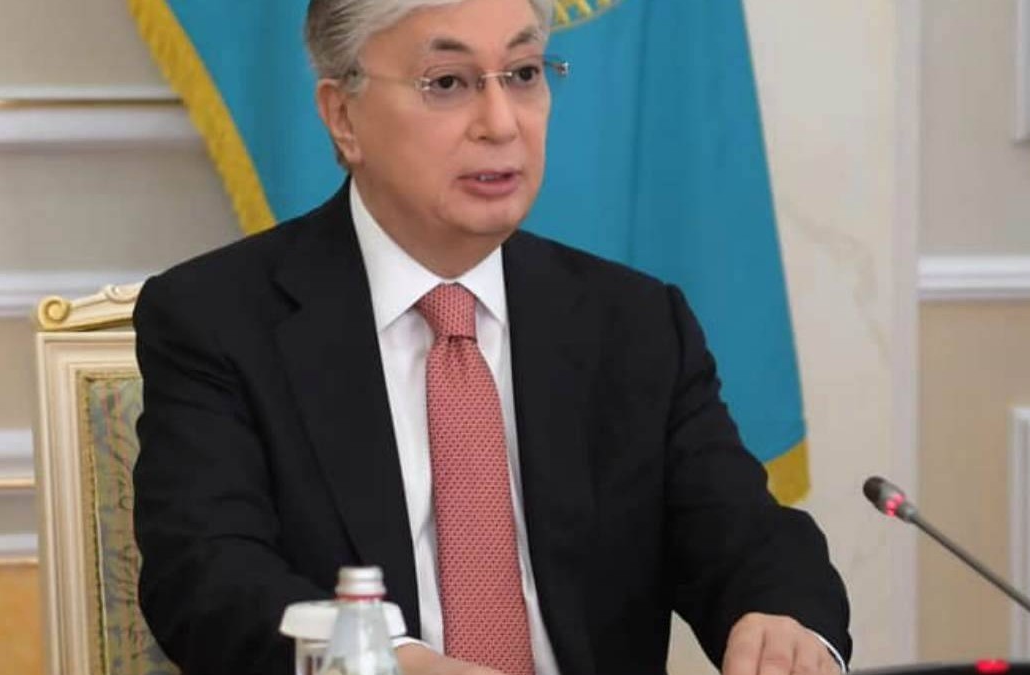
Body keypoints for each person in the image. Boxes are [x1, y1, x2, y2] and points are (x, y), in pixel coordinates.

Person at [132, 0, 852, 673]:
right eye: (447, 82)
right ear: (343, 116)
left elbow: (744, 534)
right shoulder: (218, 320)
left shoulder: (633, 323)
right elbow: (208, 576)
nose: (502, 123)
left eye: (525, 74)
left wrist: (782, 618)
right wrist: (386, 661)